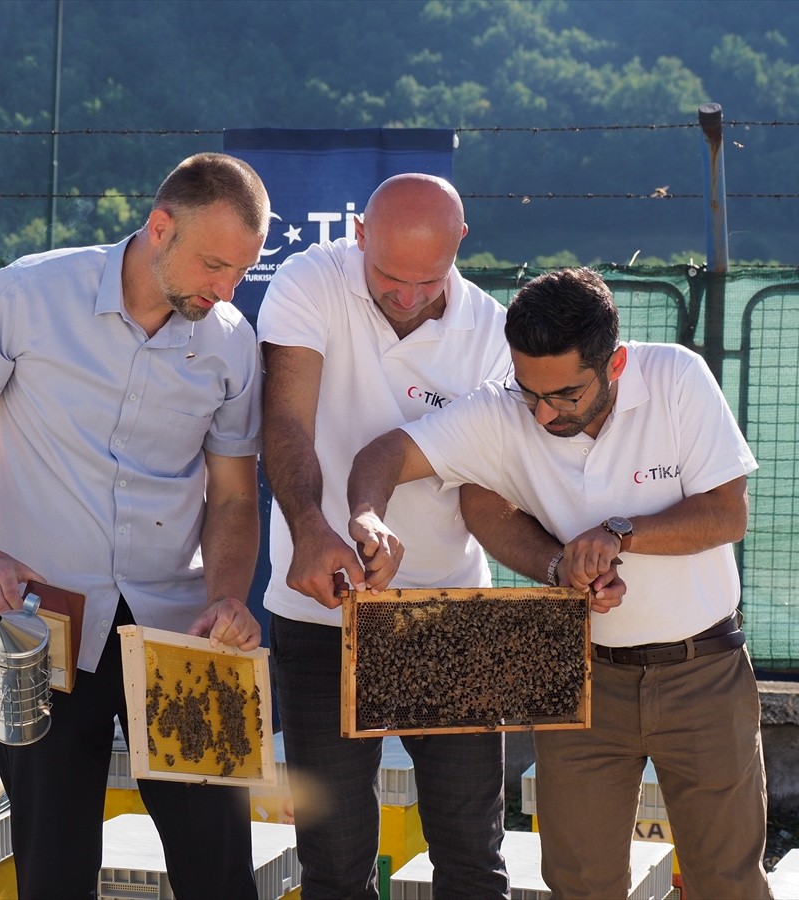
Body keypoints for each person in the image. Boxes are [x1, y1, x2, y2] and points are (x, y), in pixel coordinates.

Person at [0, 153, 271, 900]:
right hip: (44, 624)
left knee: (220, 866)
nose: (225, 290)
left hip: (184, 631)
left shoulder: (231, 339)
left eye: (240, 272)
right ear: (159, 228)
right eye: (213, 265)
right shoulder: (26, 295)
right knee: (53, 866)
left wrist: (229, 598)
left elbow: (234, 497)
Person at [347, 267, 773, 899]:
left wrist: (618, 534)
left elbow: (726, 513)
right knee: (580, 883)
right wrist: (367, 517)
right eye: (530, 393)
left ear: (617, 363)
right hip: (578, 674)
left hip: (704, 673)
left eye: (567, 396)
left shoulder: (678, 377)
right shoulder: (499, 409)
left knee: (727, 880)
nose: (544, 414)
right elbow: (394, 460)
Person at [258, 174, 621, 900]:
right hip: (320, 607)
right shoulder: (308, 278)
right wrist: (312, 529)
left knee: (469, 853)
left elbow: (484, 503)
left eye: (428, 278)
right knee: (332, 857)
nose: (406, 295)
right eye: (389, 274)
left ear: (461, 244)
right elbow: (286, 418)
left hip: (450, 611)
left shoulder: (493, 332)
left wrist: (556, 566)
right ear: (359, 234)